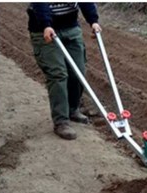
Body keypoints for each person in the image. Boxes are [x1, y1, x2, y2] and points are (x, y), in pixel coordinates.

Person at [27, 3, 102, 140]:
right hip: (45, 30)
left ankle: (73, 109)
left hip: (71, 28)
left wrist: (93, 21)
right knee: (58, 75)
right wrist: (46, 24)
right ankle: (61, 121)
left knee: (78, 72)